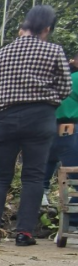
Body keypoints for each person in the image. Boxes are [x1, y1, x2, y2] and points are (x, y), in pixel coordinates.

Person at [0, 5, 71, 245]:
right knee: (33, 176)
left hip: (3, 120)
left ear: (25, 26)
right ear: (47, 29)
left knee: (0, 176)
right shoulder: (53, 51)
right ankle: (24, 233)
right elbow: (64, 88)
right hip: (39, 119)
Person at [43, 51, 78, 228]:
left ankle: (38, 211)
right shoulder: (76, 79)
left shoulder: (57, 80)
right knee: (75, 178)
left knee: (41, 177)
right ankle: (72, 220)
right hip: (69, 131)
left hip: (47, 129)